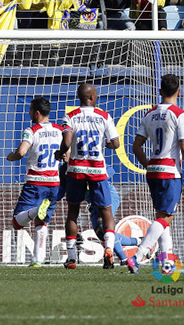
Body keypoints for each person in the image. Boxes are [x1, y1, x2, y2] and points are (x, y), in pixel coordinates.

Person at [127, 74, 184, 274]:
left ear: (160, 91)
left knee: (163, 216)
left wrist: (148, 165)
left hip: (154, 171)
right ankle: (137, 257)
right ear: (179, 92)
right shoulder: (180, 114)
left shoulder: (149, 114)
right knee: (166, 218)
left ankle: (167, 264)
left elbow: (136, 147)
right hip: (170, 172)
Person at [54, 83, 120, 269]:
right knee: (106, 212)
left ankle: (72, 257)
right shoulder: (104, 116)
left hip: (76, 170)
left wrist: (61, 153)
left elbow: (66, 142)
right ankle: (108, 249)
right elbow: (116, 143)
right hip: (98, 170)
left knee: (73, 213)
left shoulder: (71, 116)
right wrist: (106, 144)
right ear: (91, 97)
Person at [6, 97, 62, 268]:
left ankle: (37, 210)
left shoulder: (31, 130)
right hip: (54, 183)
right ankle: (37, 260)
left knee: (17, 222)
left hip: (35, 182)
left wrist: (11, 156)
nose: (29, 113)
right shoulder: (60, 130)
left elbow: (21, 152)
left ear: (37, 113)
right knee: (42, 222)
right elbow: (66, 154)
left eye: (31, 110)